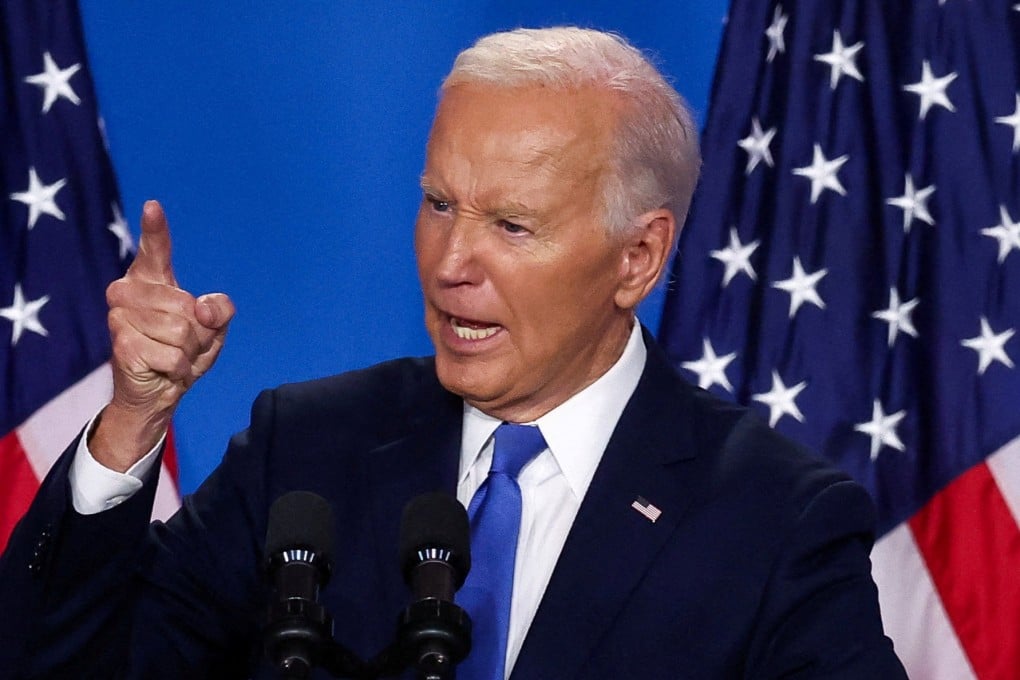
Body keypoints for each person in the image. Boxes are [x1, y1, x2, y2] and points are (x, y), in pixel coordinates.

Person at [0, 27, 907, 679]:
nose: (449, 264)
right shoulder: (306, 449)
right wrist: (133, 421)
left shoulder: (773, 518)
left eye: (511, 225)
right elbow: (65, 663)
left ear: (638, 257)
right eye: (438, 204)